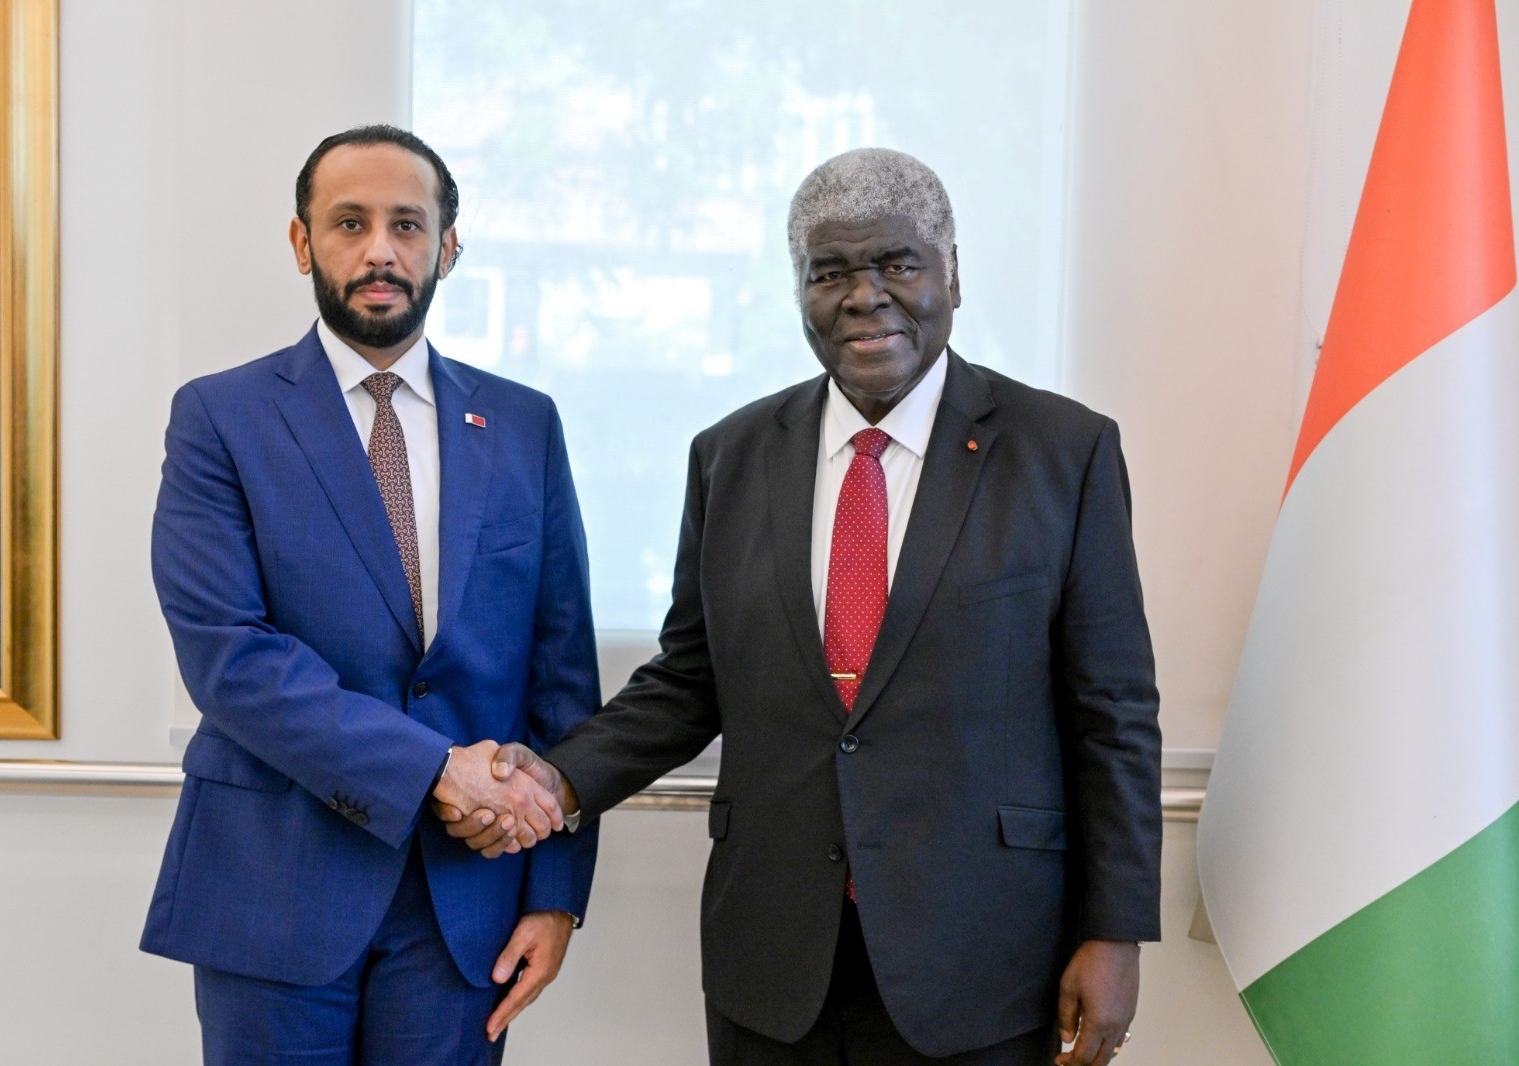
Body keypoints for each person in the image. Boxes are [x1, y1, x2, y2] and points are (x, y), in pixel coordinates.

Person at [443, 148, 1162, 1066]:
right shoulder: (731, 454)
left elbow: (1112, 713)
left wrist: (1115, 930)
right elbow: (691, 679)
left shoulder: (1064, 451)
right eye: (830, 274)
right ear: (800, 291)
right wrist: (555, 780)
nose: (864, 297)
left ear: (952, 274)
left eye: (897, 264)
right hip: (774, 959)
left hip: (984, 961)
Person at [142, 124, 600, 1065]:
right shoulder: (220, 417)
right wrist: (434, 770)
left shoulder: (525, 424)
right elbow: (230, 657)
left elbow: (562, 676)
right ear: (303, 242)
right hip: (274, 886)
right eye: (350, 223)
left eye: (407, 224)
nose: (380, 250)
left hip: (466, 905)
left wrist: (556, 894)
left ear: (448, 247)